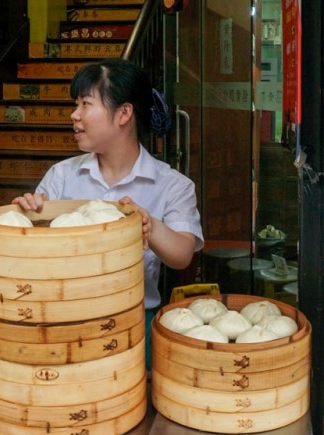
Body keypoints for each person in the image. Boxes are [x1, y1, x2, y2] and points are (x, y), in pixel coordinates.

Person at [13, 58, 204, 356]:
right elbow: (33, 255)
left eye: (86, 104)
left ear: (124, 113)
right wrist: (27, 217)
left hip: (135, 326)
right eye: (76, 105)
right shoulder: (61, 175)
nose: (75, 115)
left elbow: (182, 255)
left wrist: (148, 224)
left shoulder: (172, 185)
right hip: (61, 322)